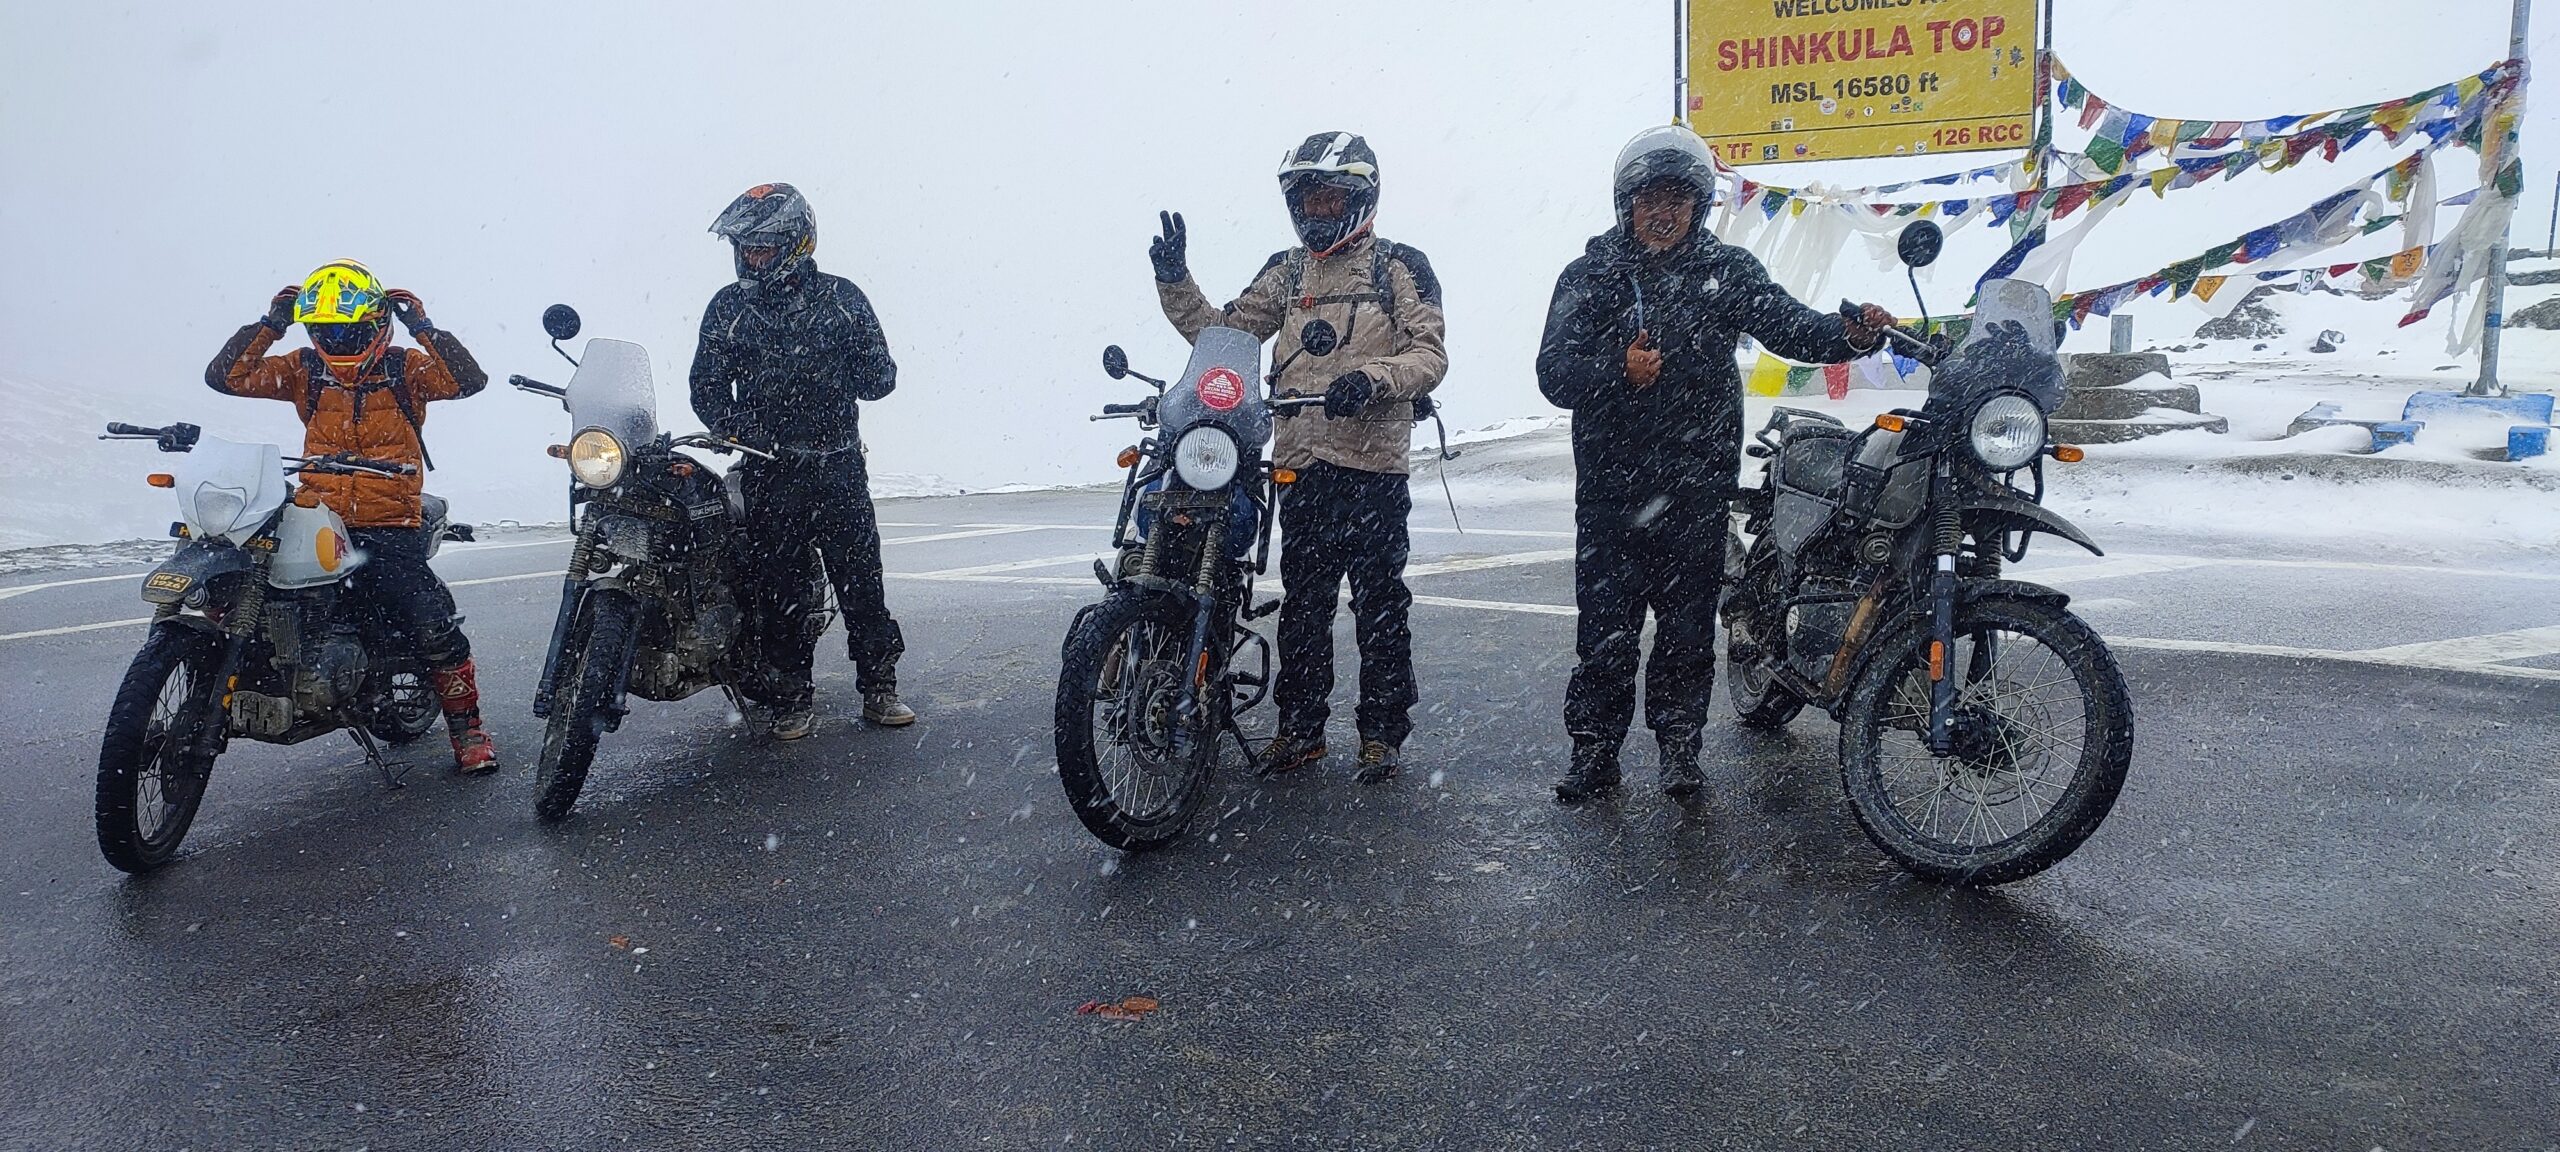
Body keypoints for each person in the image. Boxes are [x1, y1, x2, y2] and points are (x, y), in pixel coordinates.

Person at [1536, 126, 1895, 804]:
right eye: (1649, 199)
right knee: (1605, 634)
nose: (1663, 212)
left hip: (1696, 490)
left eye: (1678, 199)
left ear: (1698, 206)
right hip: (1611, 495)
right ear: (1626, 204)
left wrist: (1849, 335)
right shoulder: (1588, 276)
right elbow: (1553, 373)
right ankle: (1594, 753)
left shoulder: (1726, 270)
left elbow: (1793, 327)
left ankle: (1679, 750)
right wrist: (1617, 371)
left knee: (1686, 631)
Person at [1148, 131, 1448, 784]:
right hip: (1300, 465)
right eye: (1306, 201)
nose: (1316, 212)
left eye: (1328, 198)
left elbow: (1430, 355)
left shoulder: (1398, 267)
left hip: (1371, 468)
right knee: (1304, 606)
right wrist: (1175, 281)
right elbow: (1222, 335)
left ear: (1360, 197)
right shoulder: (1287, 272)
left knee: (1379, 608)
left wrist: (1372, 379)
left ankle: (1381, 735)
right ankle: (1301, 730)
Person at [204, 259, 500, 774]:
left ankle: (467, 728)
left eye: (349, 331)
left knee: (427, 619)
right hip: (317, 511)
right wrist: (271, 323)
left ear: (376, 323)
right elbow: (227, 377)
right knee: (248, 581)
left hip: (389, 519)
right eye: (328, 332)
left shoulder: (405, 369)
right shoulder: (305, 368)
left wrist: (424, 328)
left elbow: (467, 380)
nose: (339, 342)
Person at [688, 182, 912, 740]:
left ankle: (879, 686)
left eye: (762, 247)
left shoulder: (841, 297)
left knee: (861, 582)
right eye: (746, 248)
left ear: (795, 243)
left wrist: (854, 362)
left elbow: (880, 380)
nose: (752, 258)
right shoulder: (730, 307)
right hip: (769, 469)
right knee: (780, 589)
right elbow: (707, 386)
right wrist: (740, 426)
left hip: (837, 466)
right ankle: (791, 697)